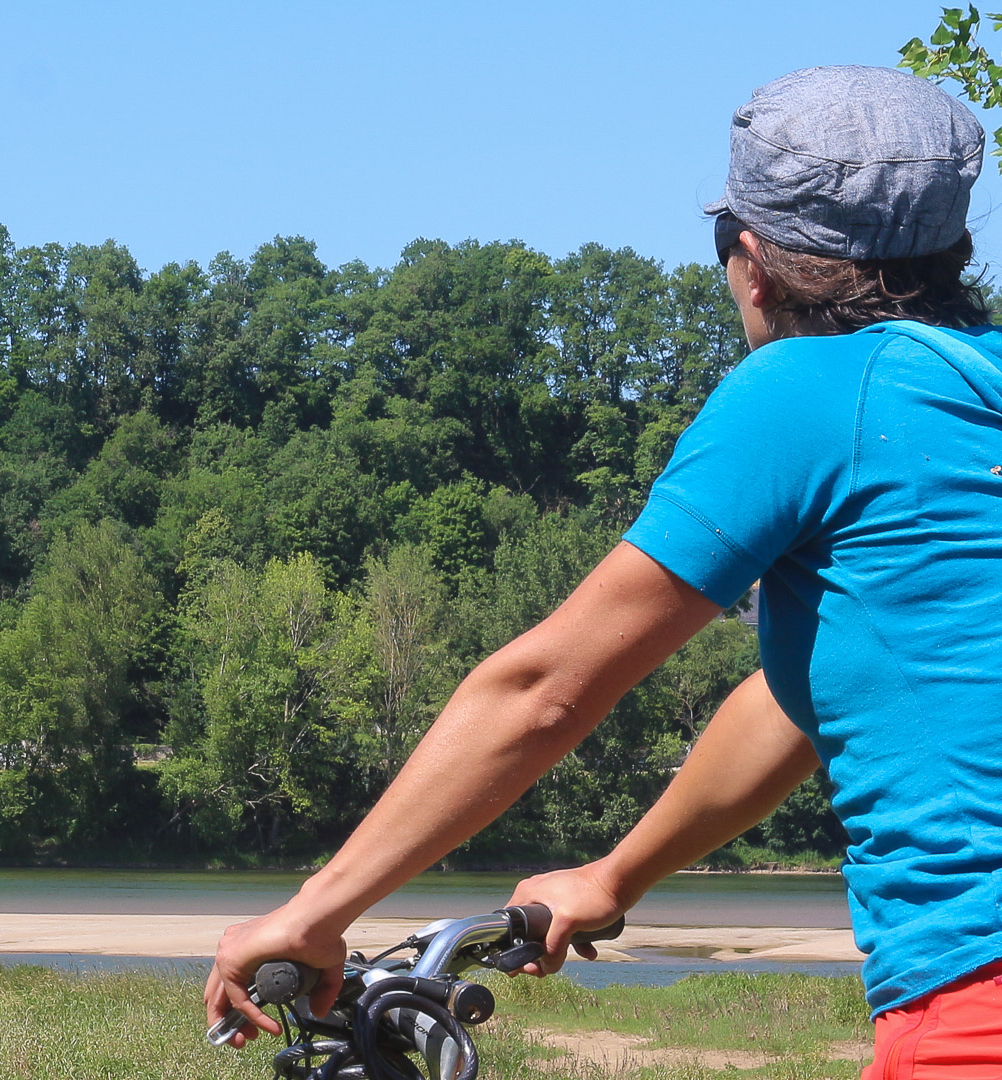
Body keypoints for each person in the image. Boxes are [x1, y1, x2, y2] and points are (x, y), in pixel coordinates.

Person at [205, 65, 1002, 1079]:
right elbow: (809, 695)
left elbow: (546, 690)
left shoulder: (813, 389)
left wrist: (314, 914)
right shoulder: (974, 399)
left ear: (754, 260)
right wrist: (615, 872)